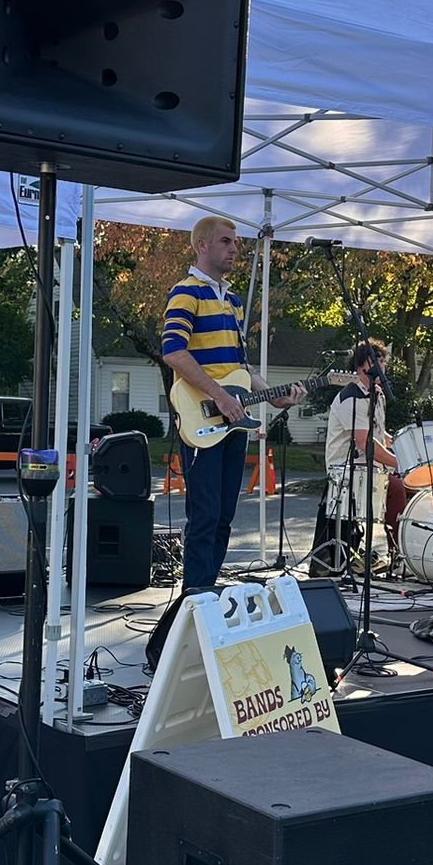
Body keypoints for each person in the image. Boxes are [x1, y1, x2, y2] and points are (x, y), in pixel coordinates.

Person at [159, 216, 293, 591]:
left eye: (235, 242)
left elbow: (241, 368)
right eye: (225, 241)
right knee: (204, 516)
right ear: (201, 245)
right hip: (202, 417)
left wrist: (275, 394)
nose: (234, 248)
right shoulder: (186, 292)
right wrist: (219, 395)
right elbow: (173, 352)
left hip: (233, 421)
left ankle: (207, 592)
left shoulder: (232, 301)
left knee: (223, 517)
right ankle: (195, 598)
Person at [310, 340, 400, 578]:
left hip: (368, 467)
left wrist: (403, 446)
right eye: (377, 362)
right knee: (397, 488)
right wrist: (398, 463)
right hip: (347, 471)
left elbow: (378, 434)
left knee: (410, 485)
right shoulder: (352, 397)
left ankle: (400, 554)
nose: (383, 366)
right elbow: (364, 442)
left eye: (383, 362)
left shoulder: (376, 394)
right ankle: (398, 554)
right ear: (362, 366)